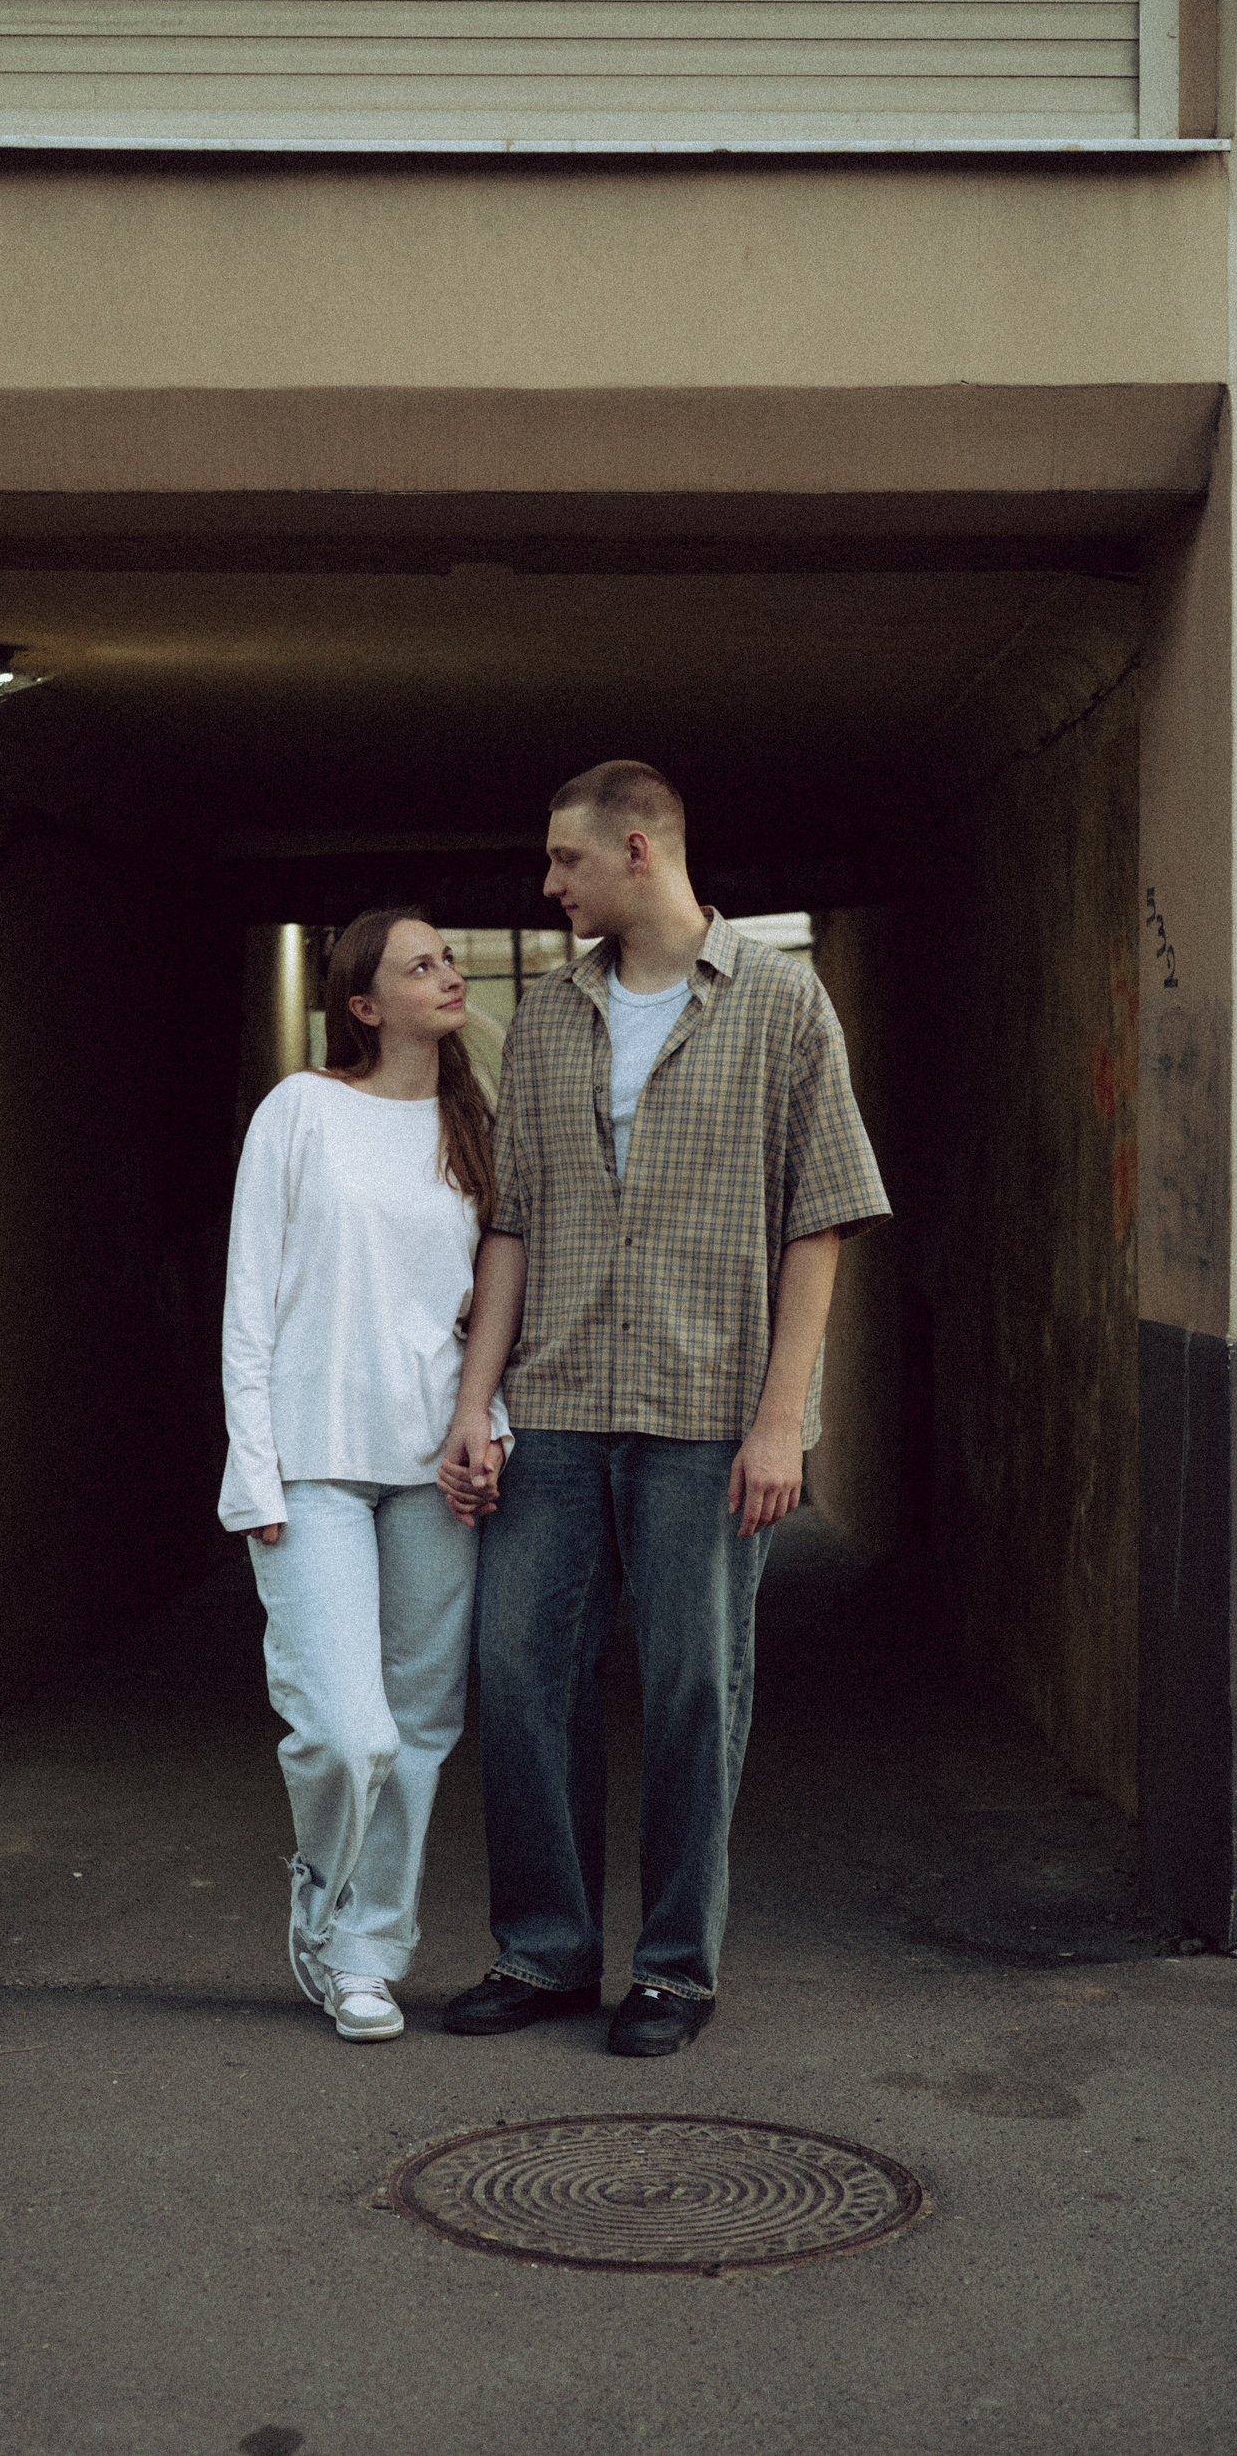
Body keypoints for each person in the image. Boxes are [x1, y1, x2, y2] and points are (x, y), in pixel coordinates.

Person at [437, 763, 890, 2057]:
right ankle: (545, 1949)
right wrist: (476, 1401)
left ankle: (676, 1971)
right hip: (559, 1396)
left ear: (637, 850)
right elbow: (513, 1222)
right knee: (519, 1666)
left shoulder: (782, 1001)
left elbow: (821, 1218)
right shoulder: (547, 1017)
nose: (547, 882)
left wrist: (780, 1419)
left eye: (564, 859)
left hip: (708, 1408)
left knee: (696, 1685)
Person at [219, 909, 508, 2042]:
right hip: (314, 1464)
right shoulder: (300, 1110)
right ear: (365, 1005)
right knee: (349, 1731)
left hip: (435, 1469)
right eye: (420, 964)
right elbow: (249, 1299)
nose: (449, 973)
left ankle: (366, 1954)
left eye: (450, 958)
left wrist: (489, 1427)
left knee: (421, 1728)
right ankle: (323, 1888)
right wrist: (254, 1469)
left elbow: (488, 1310)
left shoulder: (473, 1128)